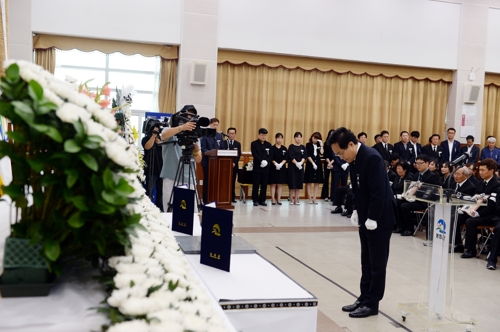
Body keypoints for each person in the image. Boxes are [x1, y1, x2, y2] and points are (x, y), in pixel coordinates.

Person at [328, 127, 395, 318]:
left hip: (380, 217)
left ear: (351, 144)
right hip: (366, 216)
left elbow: (378, 192)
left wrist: (373, 217)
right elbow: (357, 188)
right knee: (366, 259)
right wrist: (356, 209)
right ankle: (364, 296)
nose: (341, 157)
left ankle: (372, 303)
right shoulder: (354, 159)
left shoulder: (371, 157)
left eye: (341, 153)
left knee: (377, 262)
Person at [160, 105, 203, 211]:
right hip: (171, 176)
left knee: (191, 211)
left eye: (192, 117)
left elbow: (198, 159)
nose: (189, 120)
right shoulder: (170, 130)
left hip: (189, 177)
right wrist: (181, 128)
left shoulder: (194, 135)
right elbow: (164, 136)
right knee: (171, 210)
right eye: (188, 116)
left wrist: (196, 151)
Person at [456, 159, 500, 257]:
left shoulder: (496, 184)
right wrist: (465, 209)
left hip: (490, 215)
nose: (480, 172)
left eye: (483, 170)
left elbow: (492, 206)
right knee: (456, 217)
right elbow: (475, 199)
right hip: (476, 210)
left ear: (491, 170)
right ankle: (458, 244)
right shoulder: (480, 182)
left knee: (470, 222)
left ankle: (471, 250)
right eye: (479, 170)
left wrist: (478, 214)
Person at [399, 154, 440, 236]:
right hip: (415, 199)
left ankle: (409, 229)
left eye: (421, 163)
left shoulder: (432, 176)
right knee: (398, 202)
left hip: (426, 201)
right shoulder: (416, 174)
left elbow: (433, 191)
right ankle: (401, 226)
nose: (418, 165)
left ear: (427, 163)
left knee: (405, 206)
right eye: (417, 163)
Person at [142, 122, 164, 211]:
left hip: (161, 169)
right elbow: (147, 147)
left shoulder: (161, 139)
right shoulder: (145, 139)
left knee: (161, 192)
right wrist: (153, 137)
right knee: (150, 190)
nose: (156, 130)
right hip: (151, 169)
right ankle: (148, 209)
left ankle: (160, 209)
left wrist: (160, 142)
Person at [200, 118, 223, 203]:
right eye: (213, 125)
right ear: (210, 125)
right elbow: (203, 149)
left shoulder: (219, 136)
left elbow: (222, 148)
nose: (215, 127)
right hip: (207, 163)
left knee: (216, 182)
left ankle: (215, 199)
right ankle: (206, 200)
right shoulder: (205, 135)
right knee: (207, 182)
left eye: (217, 125)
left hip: (217, 163)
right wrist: (211, 153)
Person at [250, 128, 273, 206]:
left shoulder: (269, 145)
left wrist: (266, 161)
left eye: (265, 135)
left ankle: (262, 200)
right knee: (256, 184)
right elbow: (254, 154)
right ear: (259, 135)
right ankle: (255, 200)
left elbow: (271, 155)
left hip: (266, 168)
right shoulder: (254, 143)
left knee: (264, 185)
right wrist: (261, 161)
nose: (264, 137)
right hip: (257, 167)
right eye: (262, 135)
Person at [221, 127, 241, 203]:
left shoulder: (237, 144)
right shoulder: (224, 143)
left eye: (233, 133)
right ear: (227, 134)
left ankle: (232, 197)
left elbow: (238, 155)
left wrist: (234, 163)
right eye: (230, 133)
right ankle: (224, 196)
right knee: (225, 182)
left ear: (235, 134)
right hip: (225, 166)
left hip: (234, 166)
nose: (231, 135)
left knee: (232, 182)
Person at [392, 162, 412, 234]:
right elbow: (393, 188)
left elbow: (408, 190)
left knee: (399, 205)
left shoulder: (409, 178)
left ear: (405, 169)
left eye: (400, 168)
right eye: (397, 168)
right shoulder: (397, 178)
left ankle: (404, 227)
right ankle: (395, 225)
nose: (398, 170)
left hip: (406, 198)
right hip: (396, 197)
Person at [304, 132, 324, 204]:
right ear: (311, 137)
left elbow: (322, 153)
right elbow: (308, 155)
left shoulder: (319, 145)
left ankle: (315, 198)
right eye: (314, 138)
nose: (315, 139)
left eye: (317, 138)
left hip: (318, 163)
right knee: (309, 181)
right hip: (310, 163)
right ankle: (309, 198)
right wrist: (313, 163)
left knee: (317, 182)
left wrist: (321, 145)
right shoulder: (308, 145)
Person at [287, 132, 306, 205]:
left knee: (298, 183)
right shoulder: (291, 146)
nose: (299, 138)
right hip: (292, 167)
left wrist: (301, 163)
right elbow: (291, 156)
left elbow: (304, 156)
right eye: (297, 137)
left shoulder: (303, 147)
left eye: (300, 137)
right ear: (294, 138)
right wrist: (296, 163)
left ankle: (296, 199)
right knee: (292, 183)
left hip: (300, 167)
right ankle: (291, 199)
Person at [269, 133, 288, 205]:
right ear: (275, 139)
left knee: (280, 184)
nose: (279, 140)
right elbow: (271, 157)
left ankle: (279, 199)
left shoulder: (284, 148)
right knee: (273, 184)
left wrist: (281, 164)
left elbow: (286, 158)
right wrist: (276, 163)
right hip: (273, 167)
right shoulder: (272, 148)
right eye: (278, 138)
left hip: (282, 168)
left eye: (281, 138)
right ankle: (273, 199)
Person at [321, 129, 335, 201]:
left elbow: (336, 155)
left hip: (334, 163)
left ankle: (333, 196)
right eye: (331, 134)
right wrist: (329, 162)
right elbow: (325, 154)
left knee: (334, 180)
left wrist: (331, 162)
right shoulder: (326, 143)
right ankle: (325, 195)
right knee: (326, 179)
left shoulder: (337, 144)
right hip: (327, 162)